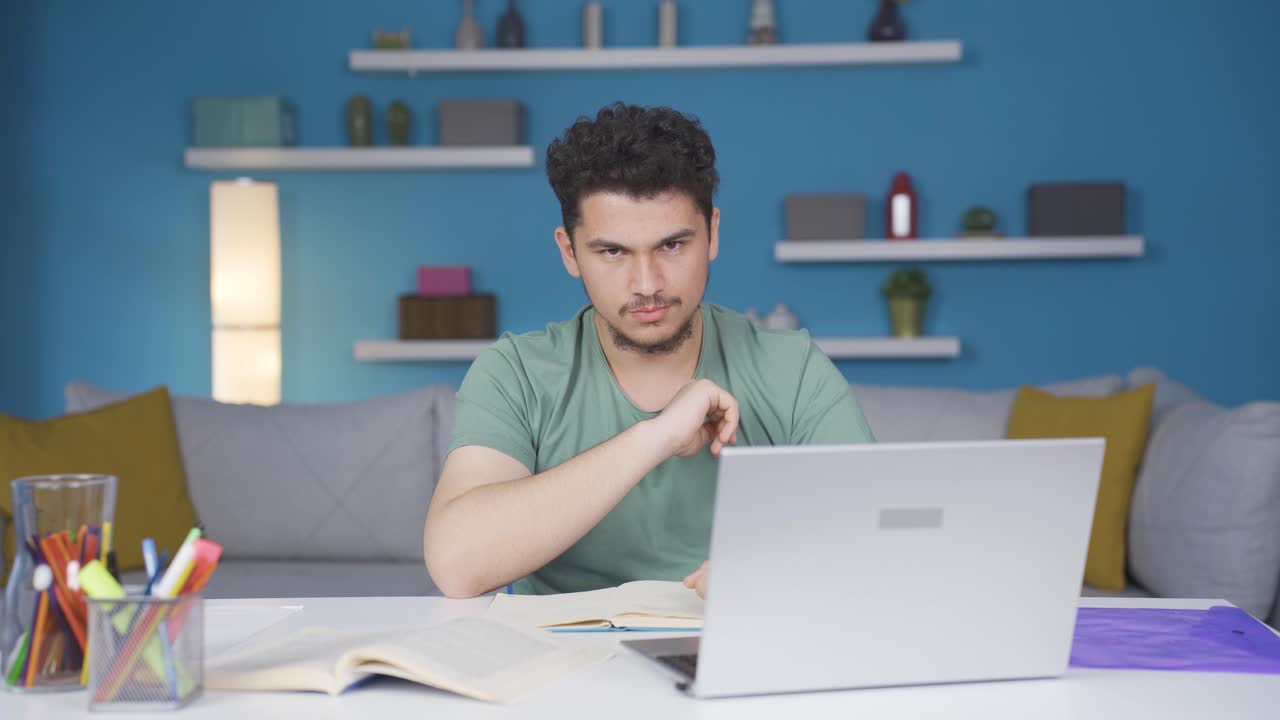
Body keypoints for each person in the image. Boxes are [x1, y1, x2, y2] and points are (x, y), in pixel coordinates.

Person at [423, 102, 875, 600]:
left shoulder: (792, 370)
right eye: (612, 251)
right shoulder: (515, 374)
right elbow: (457, 565)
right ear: (570, 252)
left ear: (713, 233)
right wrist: (656, 437)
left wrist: (772, 571)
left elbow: (876, 538)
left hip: (735, 641)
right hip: (556, 650)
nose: (647, 284)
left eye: (672, 246)